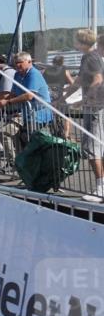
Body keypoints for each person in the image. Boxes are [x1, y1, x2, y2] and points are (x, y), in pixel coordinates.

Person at [63, 29, 104, 201]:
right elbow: (79, 80)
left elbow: (97, 80)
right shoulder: (90, 57)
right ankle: (101, 186)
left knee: (92, 147)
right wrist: (64, 98)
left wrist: (84, 99)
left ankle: (101, 188)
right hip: (95, 104)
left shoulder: (90, 57)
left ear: (81, 41)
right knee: (97, 146)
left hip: (95, 106)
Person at [0, 51, 53, 153]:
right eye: (15, 63)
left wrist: (7, 102)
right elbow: (13, 93)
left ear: (29, 61)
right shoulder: (17, 75)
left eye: (20, 62)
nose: (17, 65)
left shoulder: (34, 74)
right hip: (27, 114)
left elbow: (29, 95)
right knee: (18, 137)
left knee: (30, 139)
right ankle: (21, 163)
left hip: (39, 114)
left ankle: (34, 163)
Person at [43, 55, 75, 140]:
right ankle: (66, 134)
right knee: (66, 115)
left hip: (50, 95)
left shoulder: (47, 70)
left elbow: (42, 82)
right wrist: (65, 89)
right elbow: (73, 84)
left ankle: (53, 133)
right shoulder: (64, 70)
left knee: (52, 115)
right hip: (59, 96)